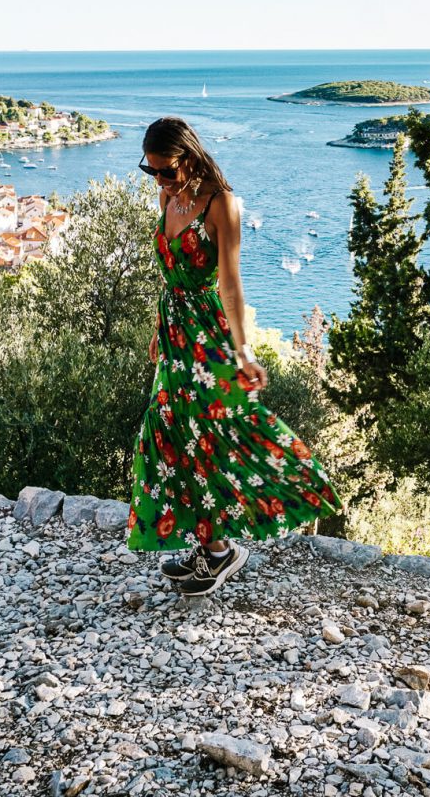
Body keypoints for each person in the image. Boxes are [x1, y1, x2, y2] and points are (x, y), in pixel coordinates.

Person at [126, 116, 343, 596]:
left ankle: (225, 550)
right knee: (172, 434)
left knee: (217, 434)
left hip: (208, 332)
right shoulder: (167, 196)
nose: (159, 180)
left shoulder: (222, 204)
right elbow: (169, 276)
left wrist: (244, 352)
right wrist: (159, 331)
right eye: (152, 171)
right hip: (176, 331)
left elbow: (230, 282)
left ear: (190, 156)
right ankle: (210, 547)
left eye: (166, 170)